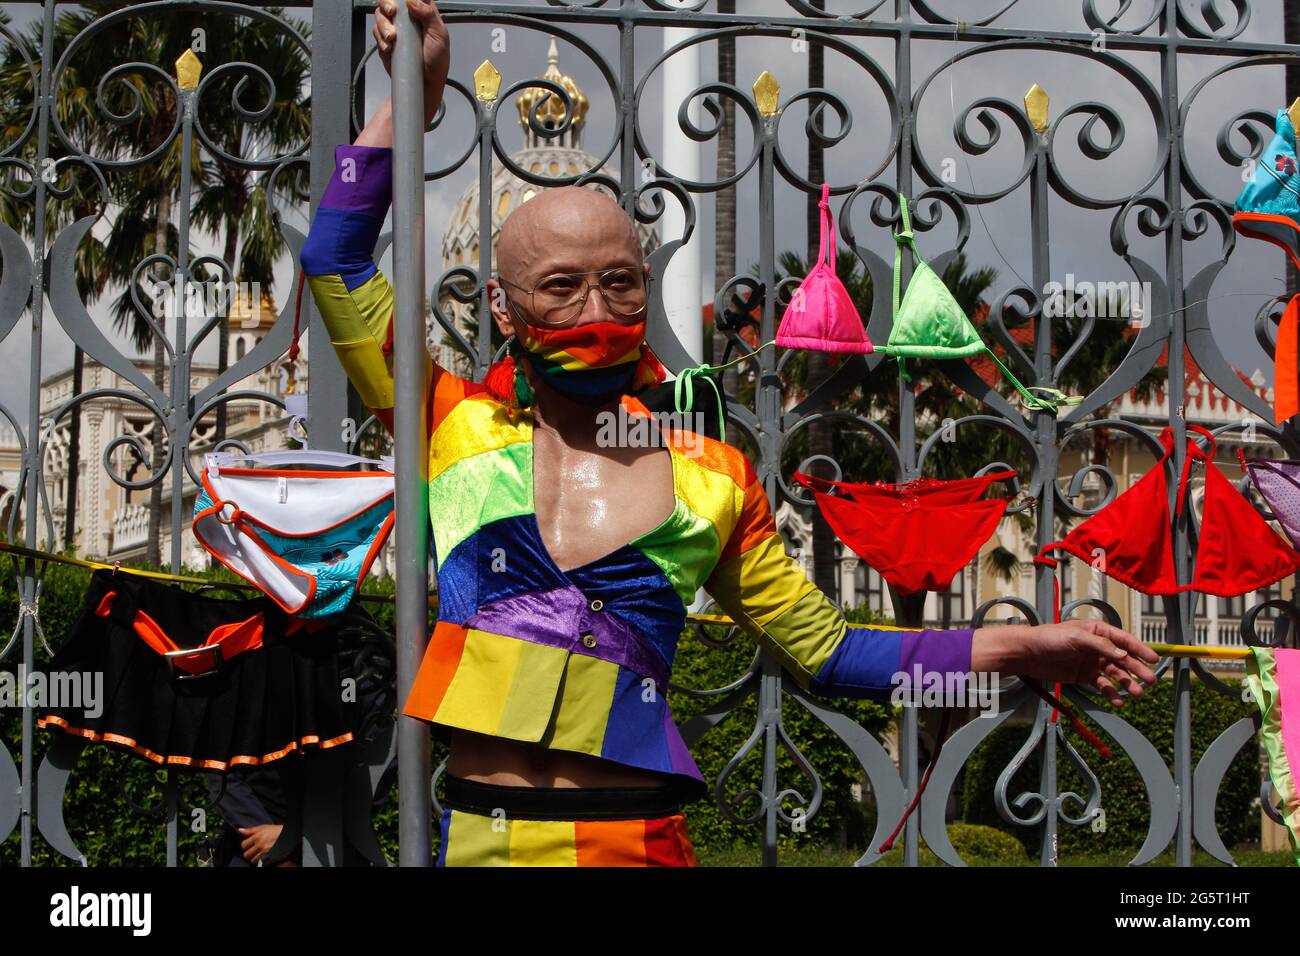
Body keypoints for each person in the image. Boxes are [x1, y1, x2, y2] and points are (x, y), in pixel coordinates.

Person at [297, 0, 1159, 867]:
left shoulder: (713, 477)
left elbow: (832, 655)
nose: (596, 312)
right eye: (560, 287)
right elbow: (335, 258)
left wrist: (1017, 650)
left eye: (622, 283)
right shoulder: (448, 422)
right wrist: (416, 97)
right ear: (502, 307)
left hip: (634, 841)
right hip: (477, 838)